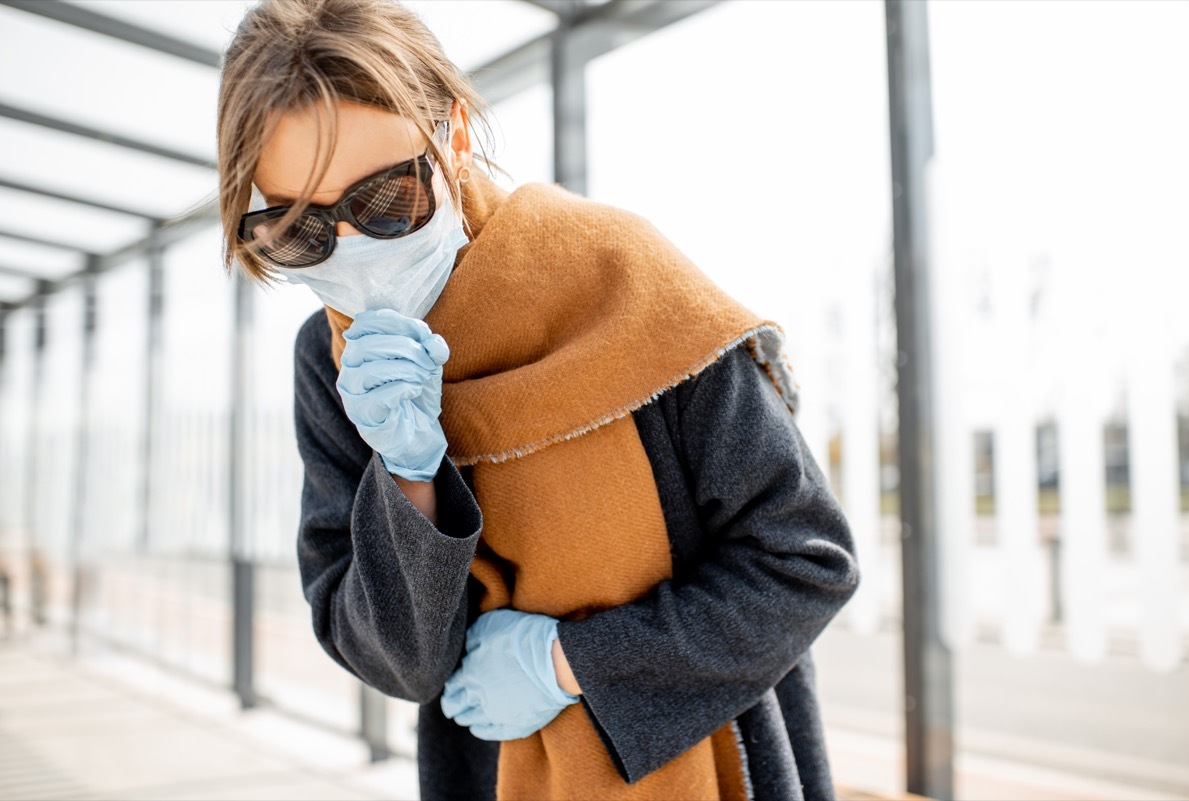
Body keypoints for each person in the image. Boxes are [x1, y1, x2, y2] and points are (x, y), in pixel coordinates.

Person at [217, 1, 858, 799]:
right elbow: (398, 663)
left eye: (387, 202)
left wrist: (570, 663)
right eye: (298, 233)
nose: (354, 255)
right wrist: (408, 480)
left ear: (452, 137)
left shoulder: (621, 283)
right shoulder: (329, 361)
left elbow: (805, 559)